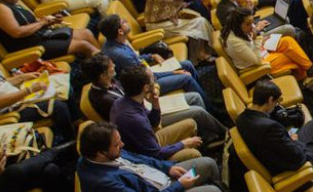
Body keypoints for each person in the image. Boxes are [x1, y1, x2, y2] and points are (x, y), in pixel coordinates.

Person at [76, 121, 231, 192]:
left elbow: (139, 158)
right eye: (117, 145)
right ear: (100, 153)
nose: (122, 145)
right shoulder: (103, 185)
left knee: (209, 164)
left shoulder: (104, 152)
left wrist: (167, 167)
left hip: (163, 179)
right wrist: (180, 186)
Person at [82, 53, 223, 144]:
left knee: (195, 97)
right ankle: (224, 133)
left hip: (147, 107)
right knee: (197, 111)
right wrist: (153, 100)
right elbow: (144, 121)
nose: (114, 67)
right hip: (147, 120)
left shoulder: (111, 82)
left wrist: (153, 101)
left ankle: (208, 130)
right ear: (103, 75)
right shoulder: (106, 100)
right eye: (111, 67)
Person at [236, 79, 313, 176]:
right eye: (276, 102)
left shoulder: (241, 118)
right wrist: (293, 141)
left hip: (281, 149)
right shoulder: (270, 127)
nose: (276, 106)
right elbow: (297, 155)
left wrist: (288, 139)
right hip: (298, 161)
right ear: (270, 100)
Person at [98, 14, 211, 104]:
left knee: (187, 64)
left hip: (144, 72)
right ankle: (210, 108)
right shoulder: (121, 56)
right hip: (144, 85)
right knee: (186, 79)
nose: (126, 21)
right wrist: (173, 72)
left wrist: (151, 56)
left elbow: (136, 58)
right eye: (123, 22)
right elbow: (147, 76)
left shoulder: (113, 42)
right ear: (120, 31)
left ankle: (204, 94)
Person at [0, 0, 99, 60]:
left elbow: (29, 22)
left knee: (86, 33)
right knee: (84, 45)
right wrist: (42, 23)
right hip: (29, 46)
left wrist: (49, 21)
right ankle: (102, 72)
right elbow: (17, 32)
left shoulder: (10, 3)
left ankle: (108, 62)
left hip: (41, 35)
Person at [110, 64, 203, 162]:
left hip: (150, 141)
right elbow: (156, 154)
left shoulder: (126, 101)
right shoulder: (135, 119)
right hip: (148, 159)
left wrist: (155, 103)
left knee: (191, 124)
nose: (155, 80)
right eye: (152, 79)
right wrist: (183, 144)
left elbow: (154, 123)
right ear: (146, 88)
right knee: (194, 154)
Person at [143, 0, 216, 61]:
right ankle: (208, 51)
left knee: (196, 19)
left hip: (151, 23)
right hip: (160, 27)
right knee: (201, 22)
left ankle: (199, 53)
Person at [222, 8, 312, 81]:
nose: (253, 26)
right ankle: (305, 76)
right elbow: (257, 60)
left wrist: (261, 41)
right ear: (238, 25)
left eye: (252, 23)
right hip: (256, 65)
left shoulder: (237, 30)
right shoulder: (234, 43)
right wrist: (257, 40)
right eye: (248, 24)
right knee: (290, 56)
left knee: (287, 41)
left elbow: (249, 43)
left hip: (259, 52)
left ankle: (310, 68)